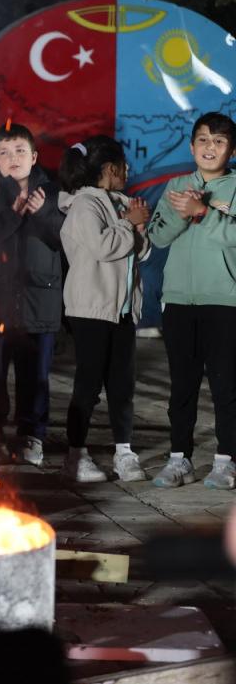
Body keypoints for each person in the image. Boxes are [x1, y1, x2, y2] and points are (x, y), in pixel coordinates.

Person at [146, 112, 236, 489]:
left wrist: (203, 213)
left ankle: (225, 462)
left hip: (225, 302)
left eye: (219, 141)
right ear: (191, 145)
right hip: (179, 301)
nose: (209, 147)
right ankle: (179, 459)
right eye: (203, 139)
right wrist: (182, 213)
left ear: (232, 150)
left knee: (226, 386)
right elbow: (158, 236)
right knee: (182, 386)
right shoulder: (177, 185)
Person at [57, 136, 150, 483]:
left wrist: (138, 226)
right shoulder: (84, 204)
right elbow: (102, 247)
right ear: (111, 168)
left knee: (122, 385)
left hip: (121, 309)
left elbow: (141, 252)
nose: (128, 171)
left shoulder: (122, 202)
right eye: (124, 165)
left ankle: (124, 453)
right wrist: (128, 224)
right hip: (91, 309)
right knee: (88, 384)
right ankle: (75, 456)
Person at [0, 124, 64, 467]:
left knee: (36, 376)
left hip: (40, 298)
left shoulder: (55, 193)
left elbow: (66, 239)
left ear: (34, 157)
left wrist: (43, 213)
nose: (12, 158)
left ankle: (32, 436)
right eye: (4, 153)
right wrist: (10, 215)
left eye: (20, 151)